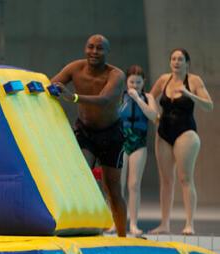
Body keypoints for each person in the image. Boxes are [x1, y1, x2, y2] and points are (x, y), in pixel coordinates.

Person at [51, 34, 127, 237]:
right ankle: (81, 227)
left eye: (99, 48)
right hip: (85, 132)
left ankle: (122, 236)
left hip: (112, 134)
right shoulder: (74, 68)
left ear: (107, 52)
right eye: (91, 47)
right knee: (80, 175)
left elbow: (105, 99)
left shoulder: (116, 75)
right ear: (85, 49)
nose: (94, 52)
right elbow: (51, 84)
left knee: (113, 189)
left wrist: (72, 97)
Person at [149, 48, 213, 235]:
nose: (176, 62)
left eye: (180, 59)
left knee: (185, 178)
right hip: (164, 132)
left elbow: (209, 105)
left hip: (186, 133)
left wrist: (189, 94)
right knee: (166, 181)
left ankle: (189, 224)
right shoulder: (164, 79)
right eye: (174, 59)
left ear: (187, 63)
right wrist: (155, 113)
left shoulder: (194, 81)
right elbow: (150, 96)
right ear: (170, 62)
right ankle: (164, 224)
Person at [119, 65, 158, 235]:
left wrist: (138, 99)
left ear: (144, 82)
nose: (134, 85)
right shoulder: (121, 97)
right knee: (117, 185)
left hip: (138, 144)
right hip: (121, 142)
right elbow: (114, 115)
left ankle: (133, 224)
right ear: (126, 82)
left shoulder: (148, 97)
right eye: (132, 82)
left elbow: (153, 116)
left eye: (138, 82)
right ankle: (116, 222)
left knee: (134, 184)